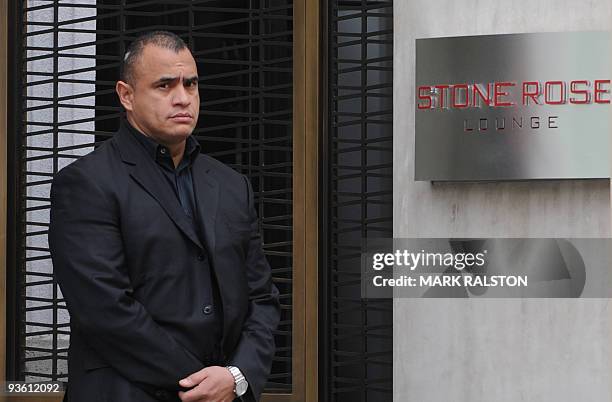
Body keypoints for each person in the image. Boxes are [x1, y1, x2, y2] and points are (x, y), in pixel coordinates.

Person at [48, 30, 280, 402]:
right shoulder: (86, 184)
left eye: (191, 84)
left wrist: (237, 376)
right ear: (126, 95)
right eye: (164, 85)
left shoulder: (231, 185)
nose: (183, 98)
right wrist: (202, 383)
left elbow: (262, 298)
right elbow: (105, 312)